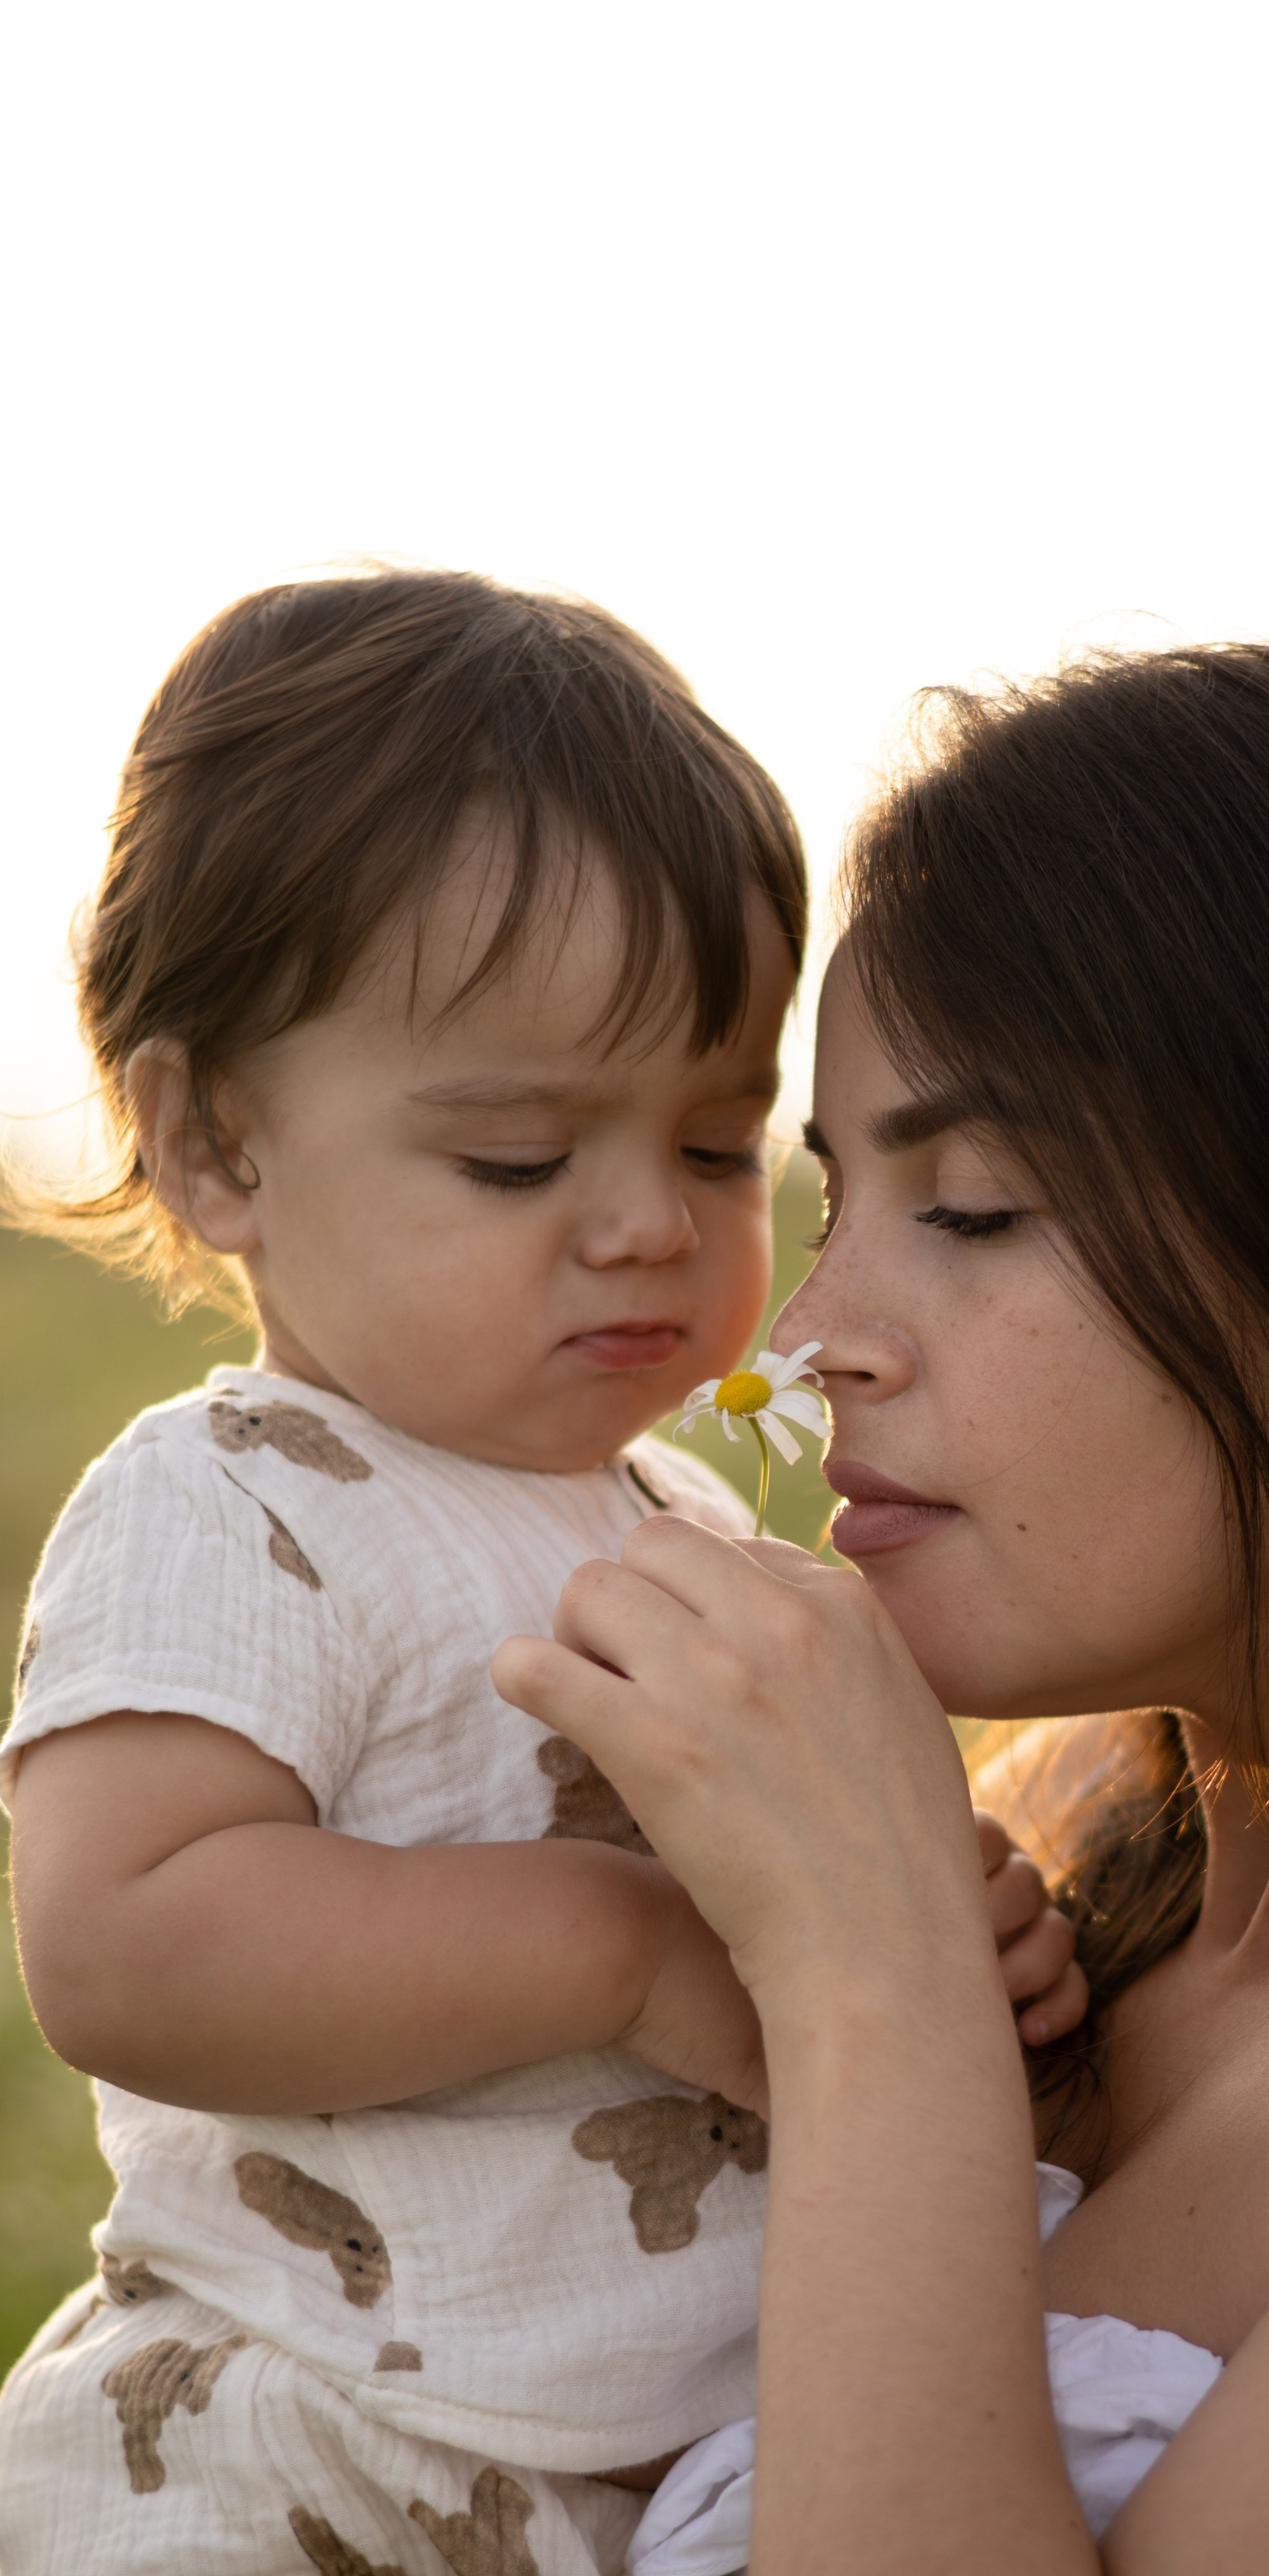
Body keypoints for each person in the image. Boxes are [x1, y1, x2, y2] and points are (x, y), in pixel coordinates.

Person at [0, 570, 1076, 2575]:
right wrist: (624, 1945)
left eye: (719, 1148)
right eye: (516, 1160)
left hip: (647, 2458)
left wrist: (944, 1900)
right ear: (215, 1146)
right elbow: (122, 1937)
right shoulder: (234, 1504)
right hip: (303, 2455)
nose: (648, 1228)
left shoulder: (688, 1521)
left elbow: (816, 1845)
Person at [495, 643, 1269, 2573]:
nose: (812, 1342)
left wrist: (873, 1979)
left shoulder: (926, 1943)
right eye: (831, 1202)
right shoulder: (1061, 1909)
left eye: (981, 1207)